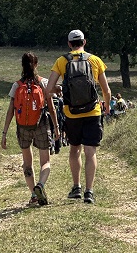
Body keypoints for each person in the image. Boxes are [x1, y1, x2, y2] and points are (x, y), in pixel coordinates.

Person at [46, 29, 111, 204]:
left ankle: (76, 188)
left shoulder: (61, 61)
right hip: (92, 111)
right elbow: (106, 90)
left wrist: (60, 89)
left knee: (75, 150)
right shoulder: (95, 60)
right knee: (90, 152)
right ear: (84, 42)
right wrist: (106, 107)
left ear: (69, 44)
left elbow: (49, 89)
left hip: (72, 113)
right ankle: (89, 192)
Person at [1, 52, 60, 207]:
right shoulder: (43, 83)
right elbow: (51, 108)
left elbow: (10, 111)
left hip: (23, 127)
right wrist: (56, 127)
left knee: (27, 164)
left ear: (22, 65)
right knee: (45, 162)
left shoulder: (16, 85)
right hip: (41, 124)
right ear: (36, 65)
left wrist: (4, 133)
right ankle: (40, 185)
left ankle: (34, 195)